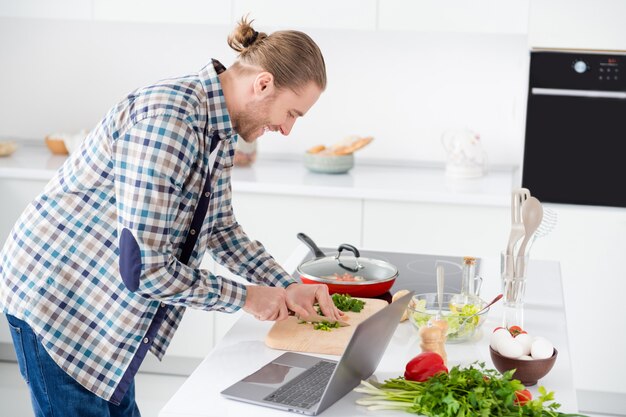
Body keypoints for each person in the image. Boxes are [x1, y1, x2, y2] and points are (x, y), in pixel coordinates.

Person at [0, 16, 341, 416]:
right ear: (263, 84)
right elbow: (144, 268)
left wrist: (285, 285)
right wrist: (249, 298)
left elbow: (222, 230)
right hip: (62, 303)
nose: (287, 129)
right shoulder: (169, 123)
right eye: (292, 113)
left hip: (104, 308)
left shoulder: (220, 129)